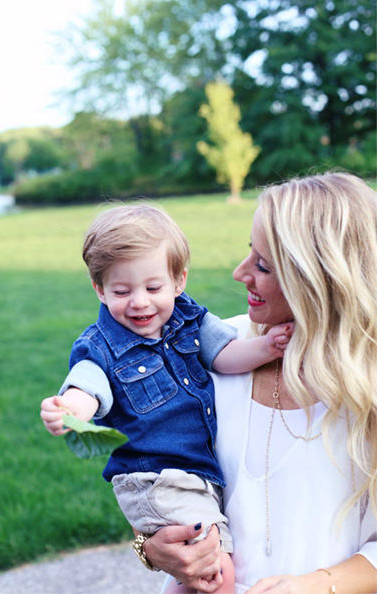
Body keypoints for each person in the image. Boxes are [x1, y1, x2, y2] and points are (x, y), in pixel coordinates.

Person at [49, 174, 377, 593]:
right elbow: (166, 480)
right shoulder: (213, 353)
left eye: (262, 264)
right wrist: (151, 548)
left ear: (320, 277)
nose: (239, 273)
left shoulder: (366, 389)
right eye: (248, 253)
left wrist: (318, 585)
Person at [40, 204, 293, 594]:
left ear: (179, 281)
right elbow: (90, 382)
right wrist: (73, 407)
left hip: (194, 475)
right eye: (121, 291)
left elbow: (224, 357)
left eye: (153, 288)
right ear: (99, 289)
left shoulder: (190, 320)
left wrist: (265, 348)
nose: (139, 302)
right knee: (215, 572)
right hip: (154, 478)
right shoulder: (102, 345)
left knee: (195, 574)